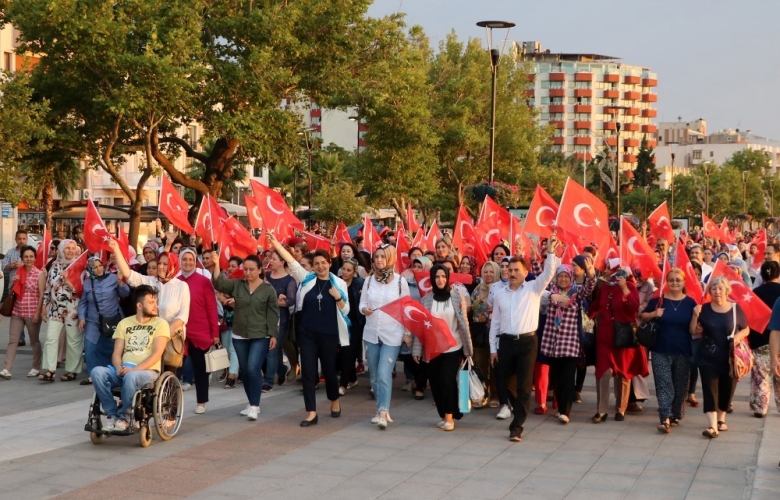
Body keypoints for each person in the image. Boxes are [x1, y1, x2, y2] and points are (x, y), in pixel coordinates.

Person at [268, 232, 348, 427]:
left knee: (329, 371)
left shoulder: (339, 283)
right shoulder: (306, 278)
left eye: (324, 263)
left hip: (329, 334)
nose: (321, 266)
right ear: (313, 265)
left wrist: (338, 297)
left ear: (329, 263)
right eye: (317, 263)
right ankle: (311, 412)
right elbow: (290, 261)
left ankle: (334, 400)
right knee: (309, 373)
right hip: (307, 333)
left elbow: (346, 311)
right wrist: (276, 244)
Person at [489, 235, 560, 442]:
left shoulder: (533, 288)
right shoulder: (499, 292)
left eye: (516, 270)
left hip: (528, 342)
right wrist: (493, 348)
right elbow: (495, 323)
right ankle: (516, 408)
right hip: (506, 342)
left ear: (525, 272)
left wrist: (550, 250)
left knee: (524, 386)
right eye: (509, 270)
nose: (512, 274)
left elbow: (548, 273)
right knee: (503, 379)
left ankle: (517, 425)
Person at [90, 285, 171, 431]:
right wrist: (118, 367)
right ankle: (113, 415)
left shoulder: (161, 324)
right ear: (139, 305)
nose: (156, 306)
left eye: (156, 302)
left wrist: (134, 369)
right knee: (96, 372)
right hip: (124, 368)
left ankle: (125, 416)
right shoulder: (124, 323)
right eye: (151, 303)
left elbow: (157, 354)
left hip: (147, 371)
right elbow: (116, 354)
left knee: (131, 377)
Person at [212, 254, 279, 421]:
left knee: (253, 368)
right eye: (245, 269)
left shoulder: (268, 289)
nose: (247, 272)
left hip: (260, 335)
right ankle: (251, 403)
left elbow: (273, 314)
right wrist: (215, 264)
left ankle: (255, 406)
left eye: (251, 269)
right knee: (245, 371)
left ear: (260, 270)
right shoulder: (237, 285)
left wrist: (273, 335)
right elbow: (219, 283)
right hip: (240, 334)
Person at [108, 239, 190, 372]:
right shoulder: (151, 282)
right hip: (147, 338)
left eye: (165, 263)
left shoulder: (181, 286)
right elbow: (129, 275)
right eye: (159, 263)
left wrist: (164, 334)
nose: (161, 267)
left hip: (171, 338)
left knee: (168, 375)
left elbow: (183, 316)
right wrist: (116, 249)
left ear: (174, 265)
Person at [413, 263, 473, 432]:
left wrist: (468, 349)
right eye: (437, 277)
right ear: (432, 279)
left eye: (443, 277)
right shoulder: (426, 300)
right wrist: (417, 349)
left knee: (447, 380)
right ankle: (443, 415)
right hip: (433, 349)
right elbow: (421, 326)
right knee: (436, 383)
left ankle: (449, 416)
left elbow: (464, 324)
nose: (440, 280)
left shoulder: (456, 297)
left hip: (453, 347)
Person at [359, 245, 411, 429]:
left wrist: (407, 333)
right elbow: (362, 303)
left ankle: (382, 411)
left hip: (392, 334)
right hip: (372, 333)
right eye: (377, 257)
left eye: (383, 256)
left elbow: (406, 309)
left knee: (383, 373)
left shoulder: (399, 282)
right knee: (374, 377)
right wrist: (364, 309)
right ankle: (380, 410)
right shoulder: (368, 281)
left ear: (390, 258)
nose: (379, 260)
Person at [639, 268, 697, 433]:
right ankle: (664, 417)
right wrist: (654, 314)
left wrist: (695, 316)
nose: (674, 283)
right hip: (660, 349)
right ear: (667, 282)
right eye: (671, 280)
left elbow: (693, 331)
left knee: (680, 386)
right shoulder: (659, 301)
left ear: (684, 282)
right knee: (664, 384)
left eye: (678, 280)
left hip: (682, 350)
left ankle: (674, 414)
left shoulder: (690, 303)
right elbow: (642, 316)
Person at [541, 260, 597, 424]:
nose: (563, 279)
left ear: (571, 277)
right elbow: (539, 284)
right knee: (556, 377)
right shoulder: (551, 291)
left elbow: (589, 287)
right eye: (561, 276)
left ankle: (566, 411)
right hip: (553, 343)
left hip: (570, 342)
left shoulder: (576, 291)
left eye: (566, 276)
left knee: (567, 377)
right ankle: (560, 409)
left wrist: (591, 273)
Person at [589, 267, 648, 423]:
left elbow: (634, 308)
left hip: (623, 335)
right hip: (605, 335)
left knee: (623, 372)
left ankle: (621, 408)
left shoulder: (631, 287)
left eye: (613, 270)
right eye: (607, 270)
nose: (609, 273)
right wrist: (586, 319)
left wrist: (624, 289)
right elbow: (595, 307)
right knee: (604, 372)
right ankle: (601, 410)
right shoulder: (604, 287)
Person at [693, 276, 749, 438]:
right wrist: (696, 316)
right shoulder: (704, 309)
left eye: (720, 289)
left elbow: (746, 329)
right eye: (714, 289)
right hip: (707, 357)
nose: (717, 292)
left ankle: (721, 418)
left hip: (730, 358)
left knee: (727, 388)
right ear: (710, 291)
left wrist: (737, 337)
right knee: (709, 389)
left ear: (727, 291)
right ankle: (712, 426)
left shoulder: (735, 308)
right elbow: (694, 331)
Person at [177, 248, 219, 414]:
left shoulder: (203, 281)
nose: (187, 262)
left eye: (190, 259)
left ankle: (201, 401)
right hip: (179, 333)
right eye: (184, 259)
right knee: (175, 369)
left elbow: (211, 308)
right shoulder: (175, 281)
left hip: (199, 331)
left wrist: (214, 332)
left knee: (200, 369)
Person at [77, 256, 130, 385]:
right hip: (93, 321)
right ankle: (92, 375)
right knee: (90, 347)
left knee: (113, 347)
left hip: (113, 320)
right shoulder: (88, 283)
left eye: (100, 265)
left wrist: (121, 283)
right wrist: (82, 317)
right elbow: (83, 302)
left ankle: (112, 373)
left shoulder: (112, 278)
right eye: (95, 267)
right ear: (90, 269)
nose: (99, 268)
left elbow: (125, 294)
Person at [40, 239, 82, 382]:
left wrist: (69, 282)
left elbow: (82, 290)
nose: (70, 251)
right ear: (61, 249)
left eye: (72, 248)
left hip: (73, 310)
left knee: (73, 341)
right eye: (67, 248)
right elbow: (48, 287)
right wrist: (44, 306)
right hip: (55, 310)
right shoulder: (54, 265)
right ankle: (50, 370)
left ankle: (72, 371)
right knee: (51, 338)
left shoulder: (79, 266)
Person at [1, 246, 43, 379]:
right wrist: (13, 284)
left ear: (35, 258)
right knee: (13, 340)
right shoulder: (18, 272)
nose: (29, 259)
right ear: (22, 258)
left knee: (34, 341)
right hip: (17, 311)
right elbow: (12, 292)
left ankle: (36, 367)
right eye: (26, 257)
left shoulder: (39, 274)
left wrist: (38, 313)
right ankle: (7, 369)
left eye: (31, 256)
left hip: (32, 312)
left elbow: (42, 295)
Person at [748, 262, 780, 417]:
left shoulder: (755, 293)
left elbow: (751, 317)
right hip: (778, 340)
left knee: (761, 375)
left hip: (760, 339)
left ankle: (760, 407)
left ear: (761, 275)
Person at [263, 250, 297, 392]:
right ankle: (281, 368)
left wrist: (274, 302)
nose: (270, 261)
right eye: (270, 258)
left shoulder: (289, 280)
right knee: (268, 349)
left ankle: (269, 381)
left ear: (282, 262)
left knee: (273, 349)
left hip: (280, 319)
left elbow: (290, 301)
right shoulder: (266, 276)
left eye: (274, 259)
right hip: (264, 317)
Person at [470, 261, 501, 407]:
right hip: (479, 332)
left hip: (494, 332)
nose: (488, 274)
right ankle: (482, 394)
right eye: (486, 271)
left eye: (491, 271)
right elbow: (471, 306)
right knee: (480, 364)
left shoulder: (500, 289)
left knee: (494, 365)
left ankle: (495, 394)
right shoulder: (477, 289)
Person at [339, 258, 365, 394]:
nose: (345, 272)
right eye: (343, 269)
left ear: (354, 272)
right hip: (339, 322)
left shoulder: (360, 283)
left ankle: (342, 384)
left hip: (355, 323)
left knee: (348, 353)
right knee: (342, 352)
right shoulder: (337, 282)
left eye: (348, 270)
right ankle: (352, 378)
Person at [2, 230, 28, 301]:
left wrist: (22, 265)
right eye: (19, 239)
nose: (21, 241)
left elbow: (36, 266)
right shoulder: (10, 252)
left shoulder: (31, 251)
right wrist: (11, 266)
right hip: (12, 286)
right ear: (15, 240)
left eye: (24, 239)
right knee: (12, 308)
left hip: (27, 286)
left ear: (27, 239)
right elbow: (3, 266)